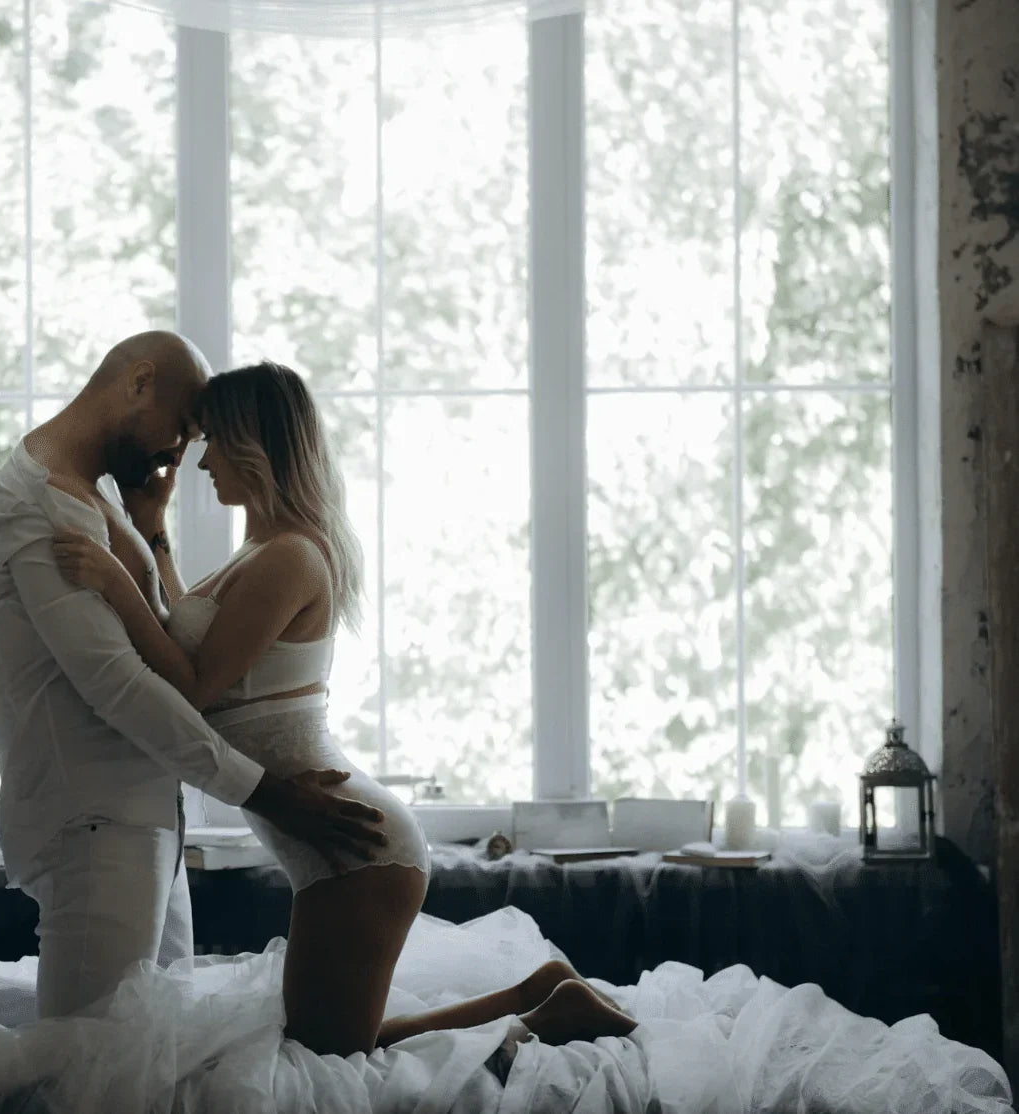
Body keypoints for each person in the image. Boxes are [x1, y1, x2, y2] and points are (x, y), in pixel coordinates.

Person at [50, 360, 637, 1054]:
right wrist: (152, 529)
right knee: (328, 1047)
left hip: (358, 849)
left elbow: (196, 687)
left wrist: (116, 584)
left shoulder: (290, 558)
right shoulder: (262, 549)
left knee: (328, 1059)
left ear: (256, 446)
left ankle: (543, 1011)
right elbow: (191, 636)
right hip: (335, 843)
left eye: (215, 442)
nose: (202, 463)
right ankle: (538, 996)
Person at [0, 331, 392, 1022]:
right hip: (95, 821)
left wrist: (145, 534)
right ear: (138, 383)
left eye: (205, 437)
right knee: (90, 1065)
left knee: (156, 1051)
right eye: (185, 427)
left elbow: (170, 648)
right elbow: (121, 685)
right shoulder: (41, 510)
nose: (185, 455)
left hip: (144, 817)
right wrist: (269, 795)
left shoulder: (96, 502)